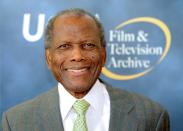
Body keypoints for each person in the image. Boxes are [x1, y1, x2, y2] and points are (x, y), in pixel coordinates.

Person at [1, 8, 170, 131]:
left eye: (88, 45)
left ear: (103, 55)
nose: (77, 55)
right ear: (49, 58)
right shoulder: (16, 122)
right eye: (64, 46)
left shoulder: (151, 117)